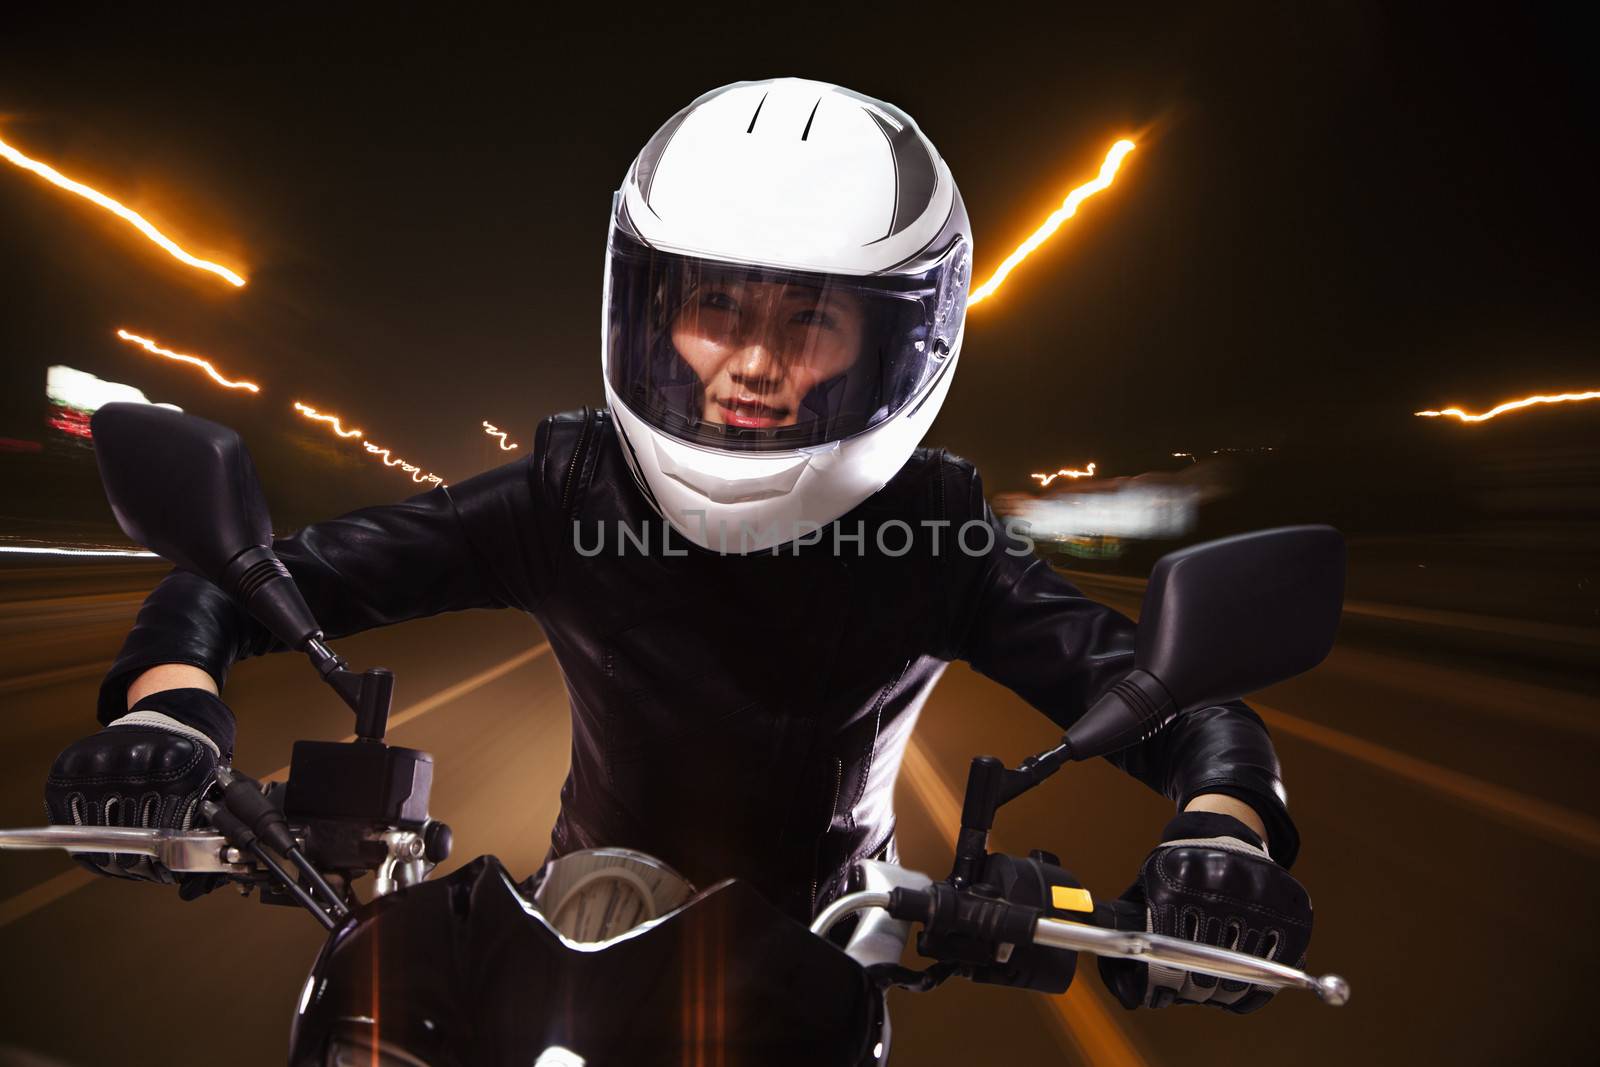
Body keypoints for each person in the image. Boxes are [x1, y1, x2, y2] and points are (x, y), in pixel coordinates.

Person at [45, 78, 1311, 1013]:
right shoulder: (569, 487)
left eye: (810, 317)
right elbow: (242, 586)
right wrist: (169, 714)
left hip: (833, 943)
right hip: (572, 920)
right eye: (715, 304)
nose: (752, 363)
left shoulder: (935, 538)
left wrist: (1225, 831)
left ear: (896, 343)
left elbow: (1183, 705)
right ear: (647, 304)